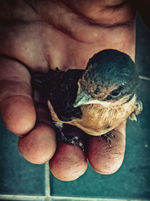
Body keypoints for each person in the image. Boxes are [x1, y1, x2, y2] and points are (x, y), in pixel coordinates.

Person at [0, 0, 148, 181]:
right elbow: (71, 97)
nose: (81, 98)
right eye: (86, 79)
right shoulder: (75, 102)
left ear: (124, 94)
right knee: (56, 120)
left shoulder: (130, 104)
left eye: (108, 94)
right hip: (56, 84)